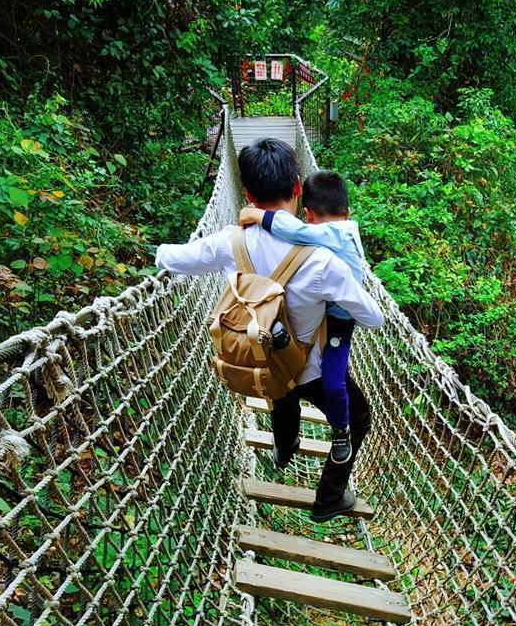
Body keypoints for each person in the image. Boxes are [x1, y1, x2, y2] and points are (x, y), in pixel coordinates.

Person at [155, 138, 384, 523]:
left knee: (279, 390)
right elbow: (374, 317)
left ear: (246, 194)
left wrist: (154, 253)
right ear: (298, 187)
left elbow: (175, 259)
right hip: (311, 368)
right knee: (357, 417)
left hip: (261, 362)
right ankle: (329, 499)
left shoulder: (229, 241)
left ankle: (284, 447)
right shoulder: (325, 259)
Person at [238, 170, 363, 466]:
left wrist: (256, 216)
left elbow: (295, 232)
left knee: (329, 382)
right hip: (322, 316)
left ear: (307, 214)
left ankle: (339, 432)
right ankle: (285, 446)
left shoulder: (329, 232)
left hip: (338, 323)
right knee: (288, 377)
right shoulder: (346, 228)